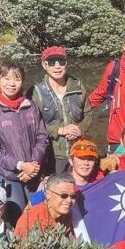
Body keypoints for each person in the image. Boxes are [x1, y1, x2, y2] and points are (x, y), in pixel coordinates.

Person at [0, 60, 49, 225]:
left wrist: (34, 163)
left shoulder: (30, 106)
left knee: (40, 216)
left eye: (17, 79)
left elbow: (42, 137)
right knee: (16, 220)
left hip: (33, 173)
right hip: (9, 175)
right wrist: (20, 165)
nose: (12, 84)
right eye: (6, 78)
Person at [30, 45, 92, 174]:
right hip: (52, 154)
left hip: (77, 149)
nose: (57, 66)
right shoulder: (36, 92)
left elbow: (88, 114)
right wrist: (59, 130)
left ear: (66, 64)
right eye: (52, 63)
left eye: (61, 62)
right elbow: (32, 125)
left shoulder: (79, 86)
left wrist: (80, 129)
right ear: (44, 65)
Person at [14, 174, 77, 238]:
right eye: (63, 195)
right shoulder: (32, 219)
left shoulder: (67, 215)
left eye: (73, 196)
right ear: (47, 194)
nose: (69, 200)